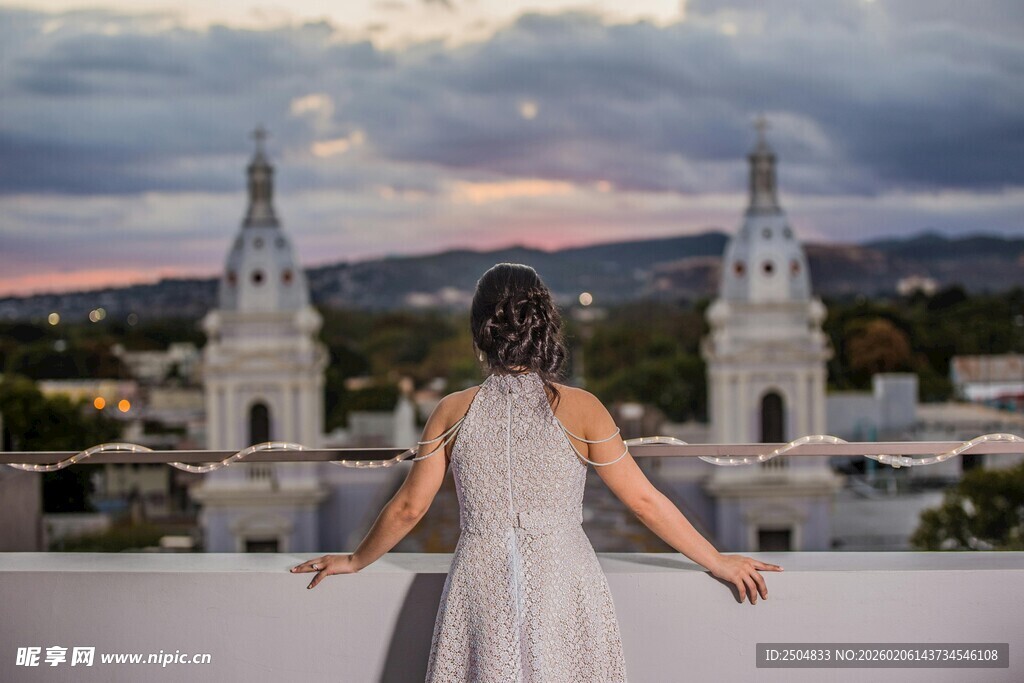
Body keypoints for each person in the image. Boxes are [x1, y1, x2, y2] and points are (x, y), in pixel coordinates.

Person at [291, 262, 783, 680]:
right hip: (563, 582)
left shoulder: (451, 410)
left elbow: (409, 507)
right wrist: (716, 561)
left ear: (480, 331)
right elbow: (643, 501)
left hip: (480, 583)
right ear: (545, 325)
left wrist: (356, 560)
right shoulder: (583, 407)